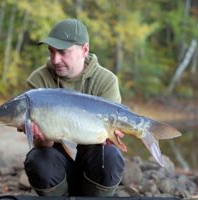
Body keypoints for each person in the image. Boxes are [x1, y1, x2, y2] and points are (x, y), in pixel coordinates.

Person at [22, 18, 125, 197]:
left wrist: (112, 137)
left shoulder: (106, 81)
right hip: (57, 161)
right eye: (51, 51)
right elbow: (40, 145)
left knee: (111, 157)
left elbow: (110, 137)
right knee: (38, 160)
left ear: (84, 50)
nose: (55, 59)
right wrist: (42, 138)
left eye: (63, 52)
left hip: (92, 162)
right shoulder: (38, 81)